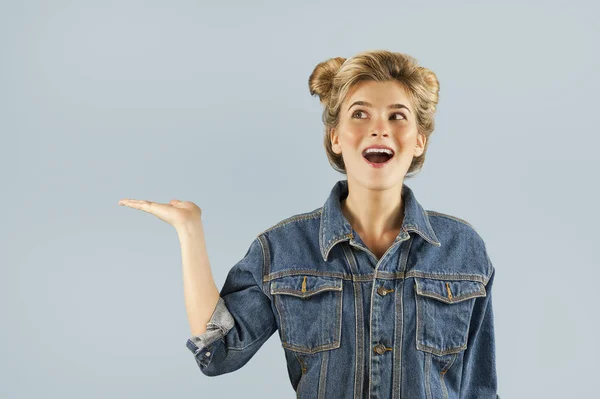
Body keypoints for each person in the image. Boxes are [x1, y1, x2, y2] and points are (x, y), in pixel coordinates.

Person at [118, 49, 499, 398]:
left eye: (397, 116)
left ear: (419, 140)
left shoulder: (462, 248)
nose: (379, 128)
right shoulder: (283, 249)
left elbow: (479, 389)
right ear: (335, 137)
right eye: (360, 113)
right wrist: (189, 230)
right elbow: (219, 353)